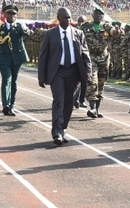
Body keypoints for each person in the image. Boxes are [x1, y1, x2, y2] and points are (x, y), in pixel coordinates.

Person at [38, 8, 92, 146]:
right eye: (64, 18)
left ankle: (63, 129)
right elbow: (43, 56)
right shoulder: (50, 34)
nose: (67, 20)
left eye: (69, 17)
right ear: (58, 18)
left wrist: (88, 73)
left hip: (73, 71)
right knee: (59, 100)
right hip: (57, 72)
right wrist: (41, 76)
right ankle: (56, 132)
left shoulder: (78, 33)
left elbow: (86, 55)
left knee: (69, 102)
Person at [0, 4, 32, 116]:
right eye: (9, 14)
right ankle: (5, 105)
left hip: (17, 58)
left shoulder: (19, 27)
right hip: (4, 58)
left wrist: (26, 29)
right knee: (6, 79)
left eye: (14, 14)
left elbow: (28, 35)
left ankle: (12, 104)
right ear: (5, 15)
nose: (12, 16)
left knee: (14, 82)